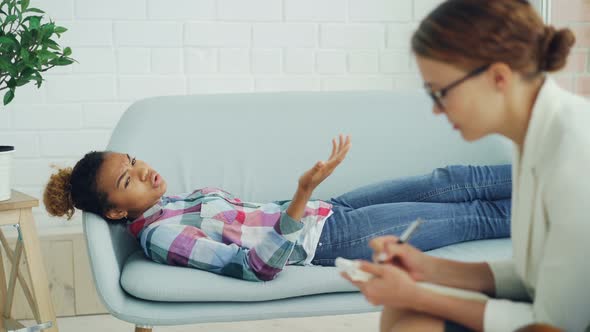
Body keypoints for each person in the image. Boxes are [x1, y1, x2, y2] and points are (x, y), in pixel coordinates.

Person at [341, 1, 590, 332]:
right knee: (402, 310)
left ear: (498, 77)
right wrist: (427, 268)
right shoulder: (531, 135)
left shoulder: (574, 149)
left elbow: (556, 324)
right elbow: (538, 275)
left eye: (440, 93)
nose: (437, 111)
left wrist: (418, 295)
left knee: (412, 319)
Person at [43, 135, 511, 282]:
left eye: (132, 161)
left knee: (448, 181)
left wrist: (309, 199)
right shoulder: (161, 235)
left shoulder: (171, 201)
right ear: (115, 213)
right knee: (474, 216)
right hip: (326, 239)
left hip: (328, 210)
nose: (143, 170)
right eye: (128, 179)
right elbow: (256, 267)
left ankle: (556, 175)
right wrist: (302, 196)